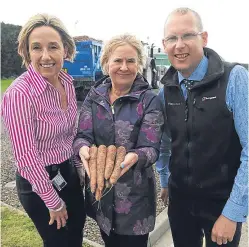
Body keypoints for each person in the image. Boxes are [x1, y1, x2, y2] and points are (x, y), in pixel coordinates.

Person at [156, 7, 248, 247]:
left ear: (203, 38)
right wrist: (165, 181)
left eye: (187, 35)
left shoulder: (234, 78)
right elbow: (165, 142)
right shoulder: (166, 90)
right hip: (181, 205)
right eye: (172, 38)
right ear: (164, 44)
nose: (179, 45)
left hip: (221, 204)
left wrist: (233, 212)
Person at [1, 13, 85, 247]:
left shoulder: (66, 82)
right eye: (36, 48)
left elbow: (70, 133)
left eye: (53, 47)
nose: (45, 56)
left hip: (66, 172)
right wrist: (53, 202)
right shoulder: (19, 94)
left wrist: (77, 167)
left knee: (76, 232)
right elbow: (26, 157)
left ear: (65, 50)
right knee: (59, 242)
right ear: (26, 52)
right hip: (38, 181)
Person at [73, 34, 164, 247]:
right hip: (101, 194)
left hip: (135, 200)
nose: (124, 67)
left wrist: (135, 157)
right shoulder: (94, 95)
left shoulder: (149, 99)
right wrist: (83, 149)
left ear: (139, 65)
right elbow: (82, 135)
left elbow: (151, 148)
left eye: (131, 61)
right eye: (117, 60)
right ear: (106, 63)